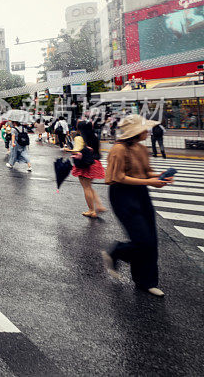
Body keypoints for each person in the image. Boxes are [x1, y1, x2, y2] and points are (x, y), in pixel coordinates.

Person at [102, 115, 172, 297]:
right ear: (135, 132)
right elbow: (118, 177)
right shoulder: (118, 149)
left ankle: (146, 281)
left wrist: (159, 176)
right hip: (122, 195)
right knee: (142, 240)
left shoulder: (141, 148)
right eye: (144, 129)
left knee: (151, 239)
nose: (147, 132)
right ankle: (116, 252)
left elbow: (147, 171)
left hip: (141, 194)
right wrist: (149, 181)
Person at [66, 120, 106, 218]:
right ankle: (99, 205)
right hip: (95, 163)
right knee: (89, 186)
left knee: (86, 187)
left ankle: (91, 210)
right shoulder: (95, 137)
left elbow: (77, 150)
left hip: (85, 164)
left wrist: (68, 150)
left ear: (80, 129)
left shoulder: (80, 138)